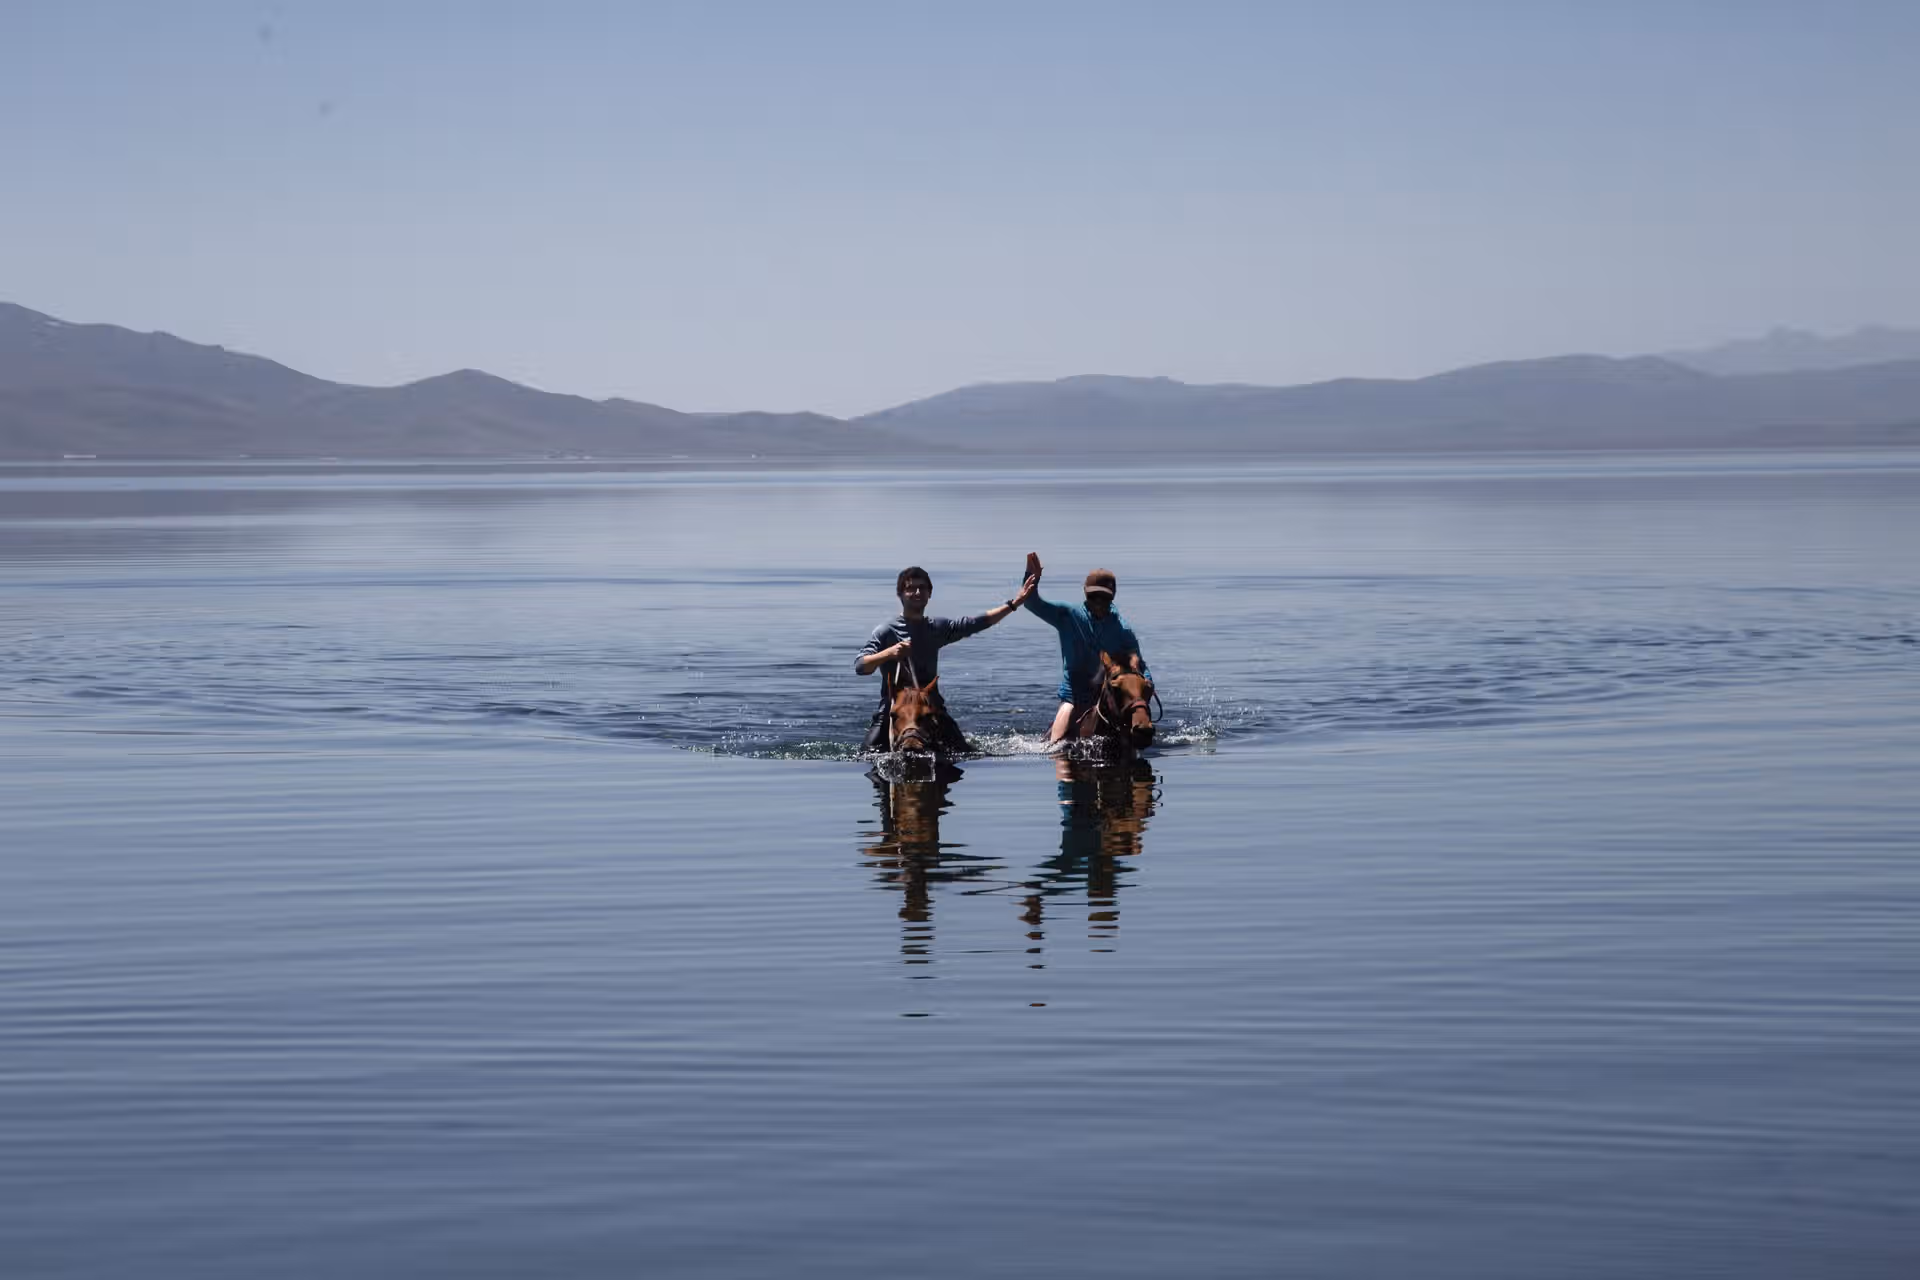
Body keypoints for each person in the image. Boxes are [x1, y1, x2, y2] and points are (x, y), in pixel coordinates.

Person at [857, 564, 1036, 752]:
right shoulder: (886, 631)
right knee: (867, 757)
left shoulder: (936, 628)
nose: (917, 592)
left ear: (929, 593)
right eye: (910, 588)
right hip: (894, 712)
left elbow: (975, 624)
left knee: (968, 755)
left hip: (931, 709)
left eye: (922, 588)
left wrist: (1014, 604)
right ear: (900, 594)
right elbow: (861, 666)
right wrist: (889, 653)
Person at [1022, 561, 1151, 743]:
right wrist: (1031, 577)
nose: (1098, 602)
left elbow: (1138, 664)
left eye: (1104, 597)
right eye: (1093, 596)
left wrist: (1147, 682)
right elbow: (1031, 603)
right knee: (1056, 745)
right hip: (1073, 695)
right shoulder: (1068, 615)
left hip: (1106, 694)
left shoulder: (1123, 630)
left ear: (1113, 596)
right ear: (1085, 592)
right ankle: (1054, 753)